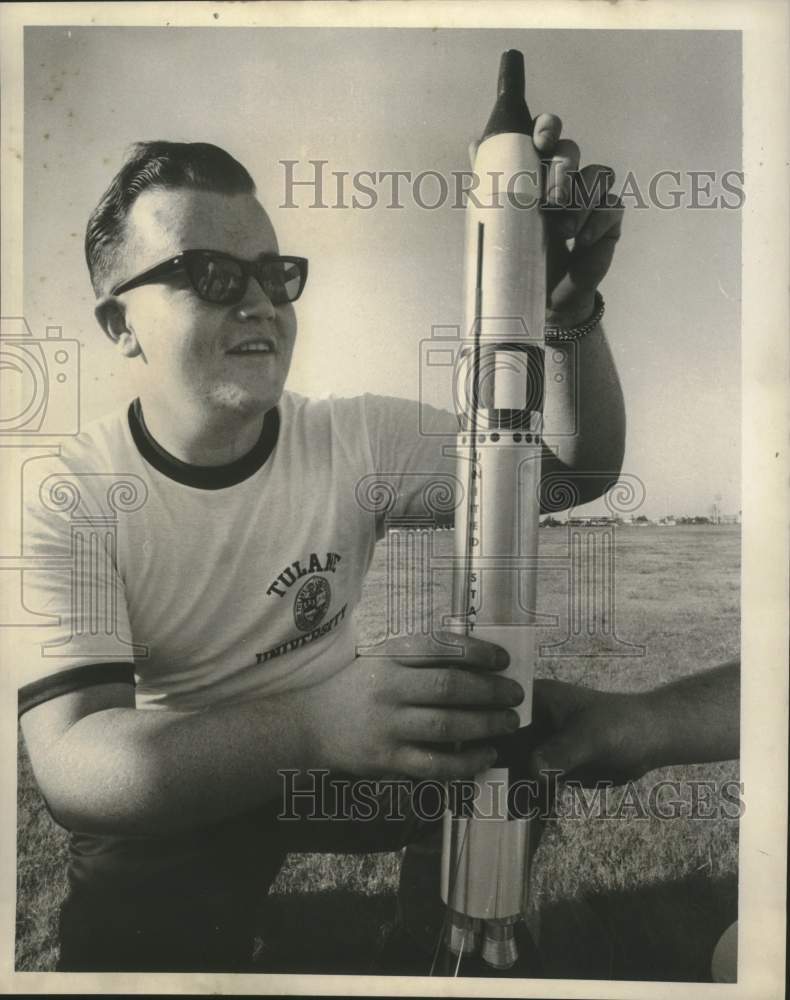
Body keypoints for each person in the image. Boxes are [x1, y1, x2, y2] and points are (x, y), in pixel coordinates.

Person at [18, 116, 626, 972]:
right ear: (120, 323)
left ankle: (429, 938)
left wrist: (565, 312)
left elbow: (564, 473)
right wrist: (311, 728)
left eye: (274, 274)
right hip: (180, 780)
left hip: (346, 751)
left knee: (510, 723)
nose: (261, 300)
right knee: (130, 966)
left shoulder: (353, 440)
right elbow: (77, 765)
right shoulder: (67, 491)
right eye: (213, 274)